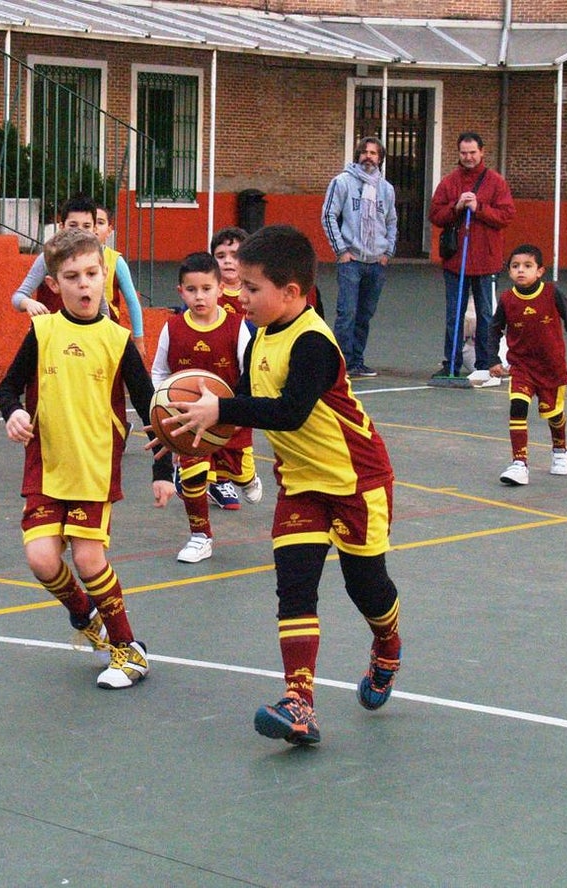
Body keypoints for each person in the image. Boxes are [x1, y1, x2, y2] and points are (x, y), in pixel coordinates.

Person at [159, 224, 404, 745]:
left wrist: (219, 407)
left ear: (290, 292)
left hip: (355, 479)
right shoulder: (261, 337)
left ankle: (387, 644)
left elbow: (288, 413)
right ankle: (300, 701)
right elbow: (245, 408)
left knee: (367, 587)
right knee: (294, 587)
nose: (237, 296)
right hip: (300, 484)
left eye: (250, 288)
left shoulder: (314, 342)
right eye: (238, 285)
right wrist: (186, 432)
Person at [0, 227, 174, 690]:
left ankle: (128, 650)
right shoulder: (42, 331)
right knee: (41, 559)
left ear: (104, 276)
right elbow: (6, 387)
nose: (84, 284)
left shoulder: (118, 341)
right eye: (72, 276)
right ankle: (84, 613)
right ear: (53, 285)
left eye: (92, 273)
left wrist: (162, 471)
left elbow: (150, 407)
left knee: (90, 558)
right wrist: (13, 412)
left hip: (94, 467)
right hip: (45, 463)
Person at [151, 252, 262, 564]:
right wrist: (164, 412)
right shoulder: (172, 328)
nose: (199, 296)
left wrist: (239, 411)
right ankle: (201, 536)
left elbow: (249, 376)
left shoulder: (238, 327)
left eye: (206, 289)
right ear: (180, 292)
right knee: (193, 476)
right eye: (191, 290)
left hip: (230, 420)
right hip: (189, 421)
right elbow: (159, 373)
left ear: (220, 289)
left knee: (239, 475)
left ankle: (249, 478)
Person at [488, 244, 567, 486]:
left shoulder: (551, 294)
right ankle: (519, 464)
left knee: (553, 414)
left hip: (551, 367)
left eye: (527, 266)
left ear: (540, 271)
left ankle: (560, 450)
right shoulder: (507, 299)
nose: (520, 271)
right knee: (518, 407)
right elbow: (494, 330)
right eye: (515, 266)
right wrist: (492, 359)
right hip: (522, 367)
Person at [428, 131, 515, 380]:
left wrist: (480, 209)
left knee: (486, 314)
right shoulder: (449, 182)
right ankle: (451, 364)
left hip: (486, 261)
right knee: (454, 314)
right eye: (464, 153)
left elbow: (507, 215)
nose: (468, 157)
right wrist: (455, 207)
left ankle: (484, 363)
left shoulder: (496, 182)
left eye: (472, 153)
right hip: (456, 261)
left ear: (482, 152)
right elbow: (435, 215)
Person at [321, 136, 397, 378]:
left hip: (376, 262)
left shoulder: (386, 189)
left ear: (380, 159)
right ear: (357, 156)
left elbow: (392, 221)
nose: (368, 157)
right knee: (347, 313)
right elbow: (328, 216)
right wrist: (341, 251)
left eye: (374, 153)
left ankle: (357, 361)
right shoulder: (342, 182)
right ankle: (340, 364)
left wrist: (388, 252)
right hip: (351, 261)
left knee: (364, 315)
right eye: (364, 152)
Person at [207, 226, 251, 509]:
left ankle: (239, 475)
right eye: (220, 255)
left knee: (239, 432)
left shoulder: (254, 292)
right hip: (213, 372)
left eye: (234, 254)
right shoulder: (209, 293)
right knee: (212, 430)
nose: (227, 261)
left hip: (245, 374)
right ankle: (217, 482)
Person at [93, 203, 146, 357]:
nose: (95, 227)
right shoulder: (70, 257)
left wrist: (138, 338)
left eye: (101, 222)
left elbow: (132, 301)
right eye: (92, 222)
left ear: (109, 230)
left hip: (108, 328)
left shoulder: (116, 261)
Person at [210, 227, 249, 318]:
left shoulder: (256, 292)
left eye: (235, 256)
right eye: (220, 256)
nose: (227, 261)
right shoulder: (206, 291)